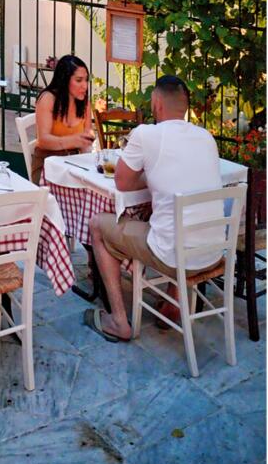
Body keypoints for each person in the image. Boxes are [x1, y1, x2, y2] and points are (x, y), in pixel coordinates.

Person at [85, 74, 223, 343]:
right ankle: (172, 304)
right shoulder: (206, 137)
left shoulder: (146, 134)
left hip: (173, 256)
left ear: (156, 103)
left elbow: (122, 183)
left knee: (97, 225)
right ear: (184, 105)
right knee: (176, 222)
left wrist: (145, 172)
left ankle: (119, 321)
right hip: (213, 251)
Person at [31, 54, 95, 183]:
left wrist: (87, 147)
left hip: (75, 163)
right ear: (64, 80)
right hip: (47, 164)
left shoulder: (84, 103)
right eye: (79, 80)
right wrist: (73, 141)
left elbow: (87, 136)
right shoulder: (48, 99)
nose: (85, 86)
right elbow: (43, 140)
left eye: (86, 80)